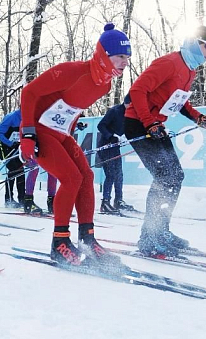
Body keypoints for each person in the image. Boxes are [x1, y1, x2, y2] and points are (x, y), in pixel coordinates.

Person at [19, 23, 131, 268]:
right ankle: (59, 242)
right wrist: (27, 134)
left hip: (60, 133)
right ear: (104, 55)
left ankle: (87, 239)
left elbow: (72, 108)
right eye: (120, 56)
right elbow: (29, 93)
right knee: (70, 178)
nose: (125, 62)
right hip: (39, 131)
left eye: (127, 57)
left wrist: (71, 129)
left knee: (86, 175)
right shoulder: (73, 71)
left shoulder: (105, 85)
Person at [124, 25, 206, 258]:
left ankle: (161, 230)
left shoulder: (190, 70)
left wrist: (197, 117)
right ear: (195, 43)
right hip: (138, 123)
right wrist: (148, 122)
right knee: (165, 176)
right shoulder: (168, 63)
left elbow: (180, 101)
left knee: (175, 175)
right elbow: (137, 91)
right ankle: (149, 237)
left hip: (155, 125)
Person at [96, 94, 135, 214]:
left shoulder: (132, 113)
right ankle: (105, 202)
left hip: (116, 147)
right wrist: (111, 136)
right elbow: (100, 125)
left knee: (119, 175)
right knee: (111, 174)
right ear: (127, 103)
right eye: (131, 105)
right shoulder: (115, 111)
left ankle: (118, 200)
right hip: (106, 146)